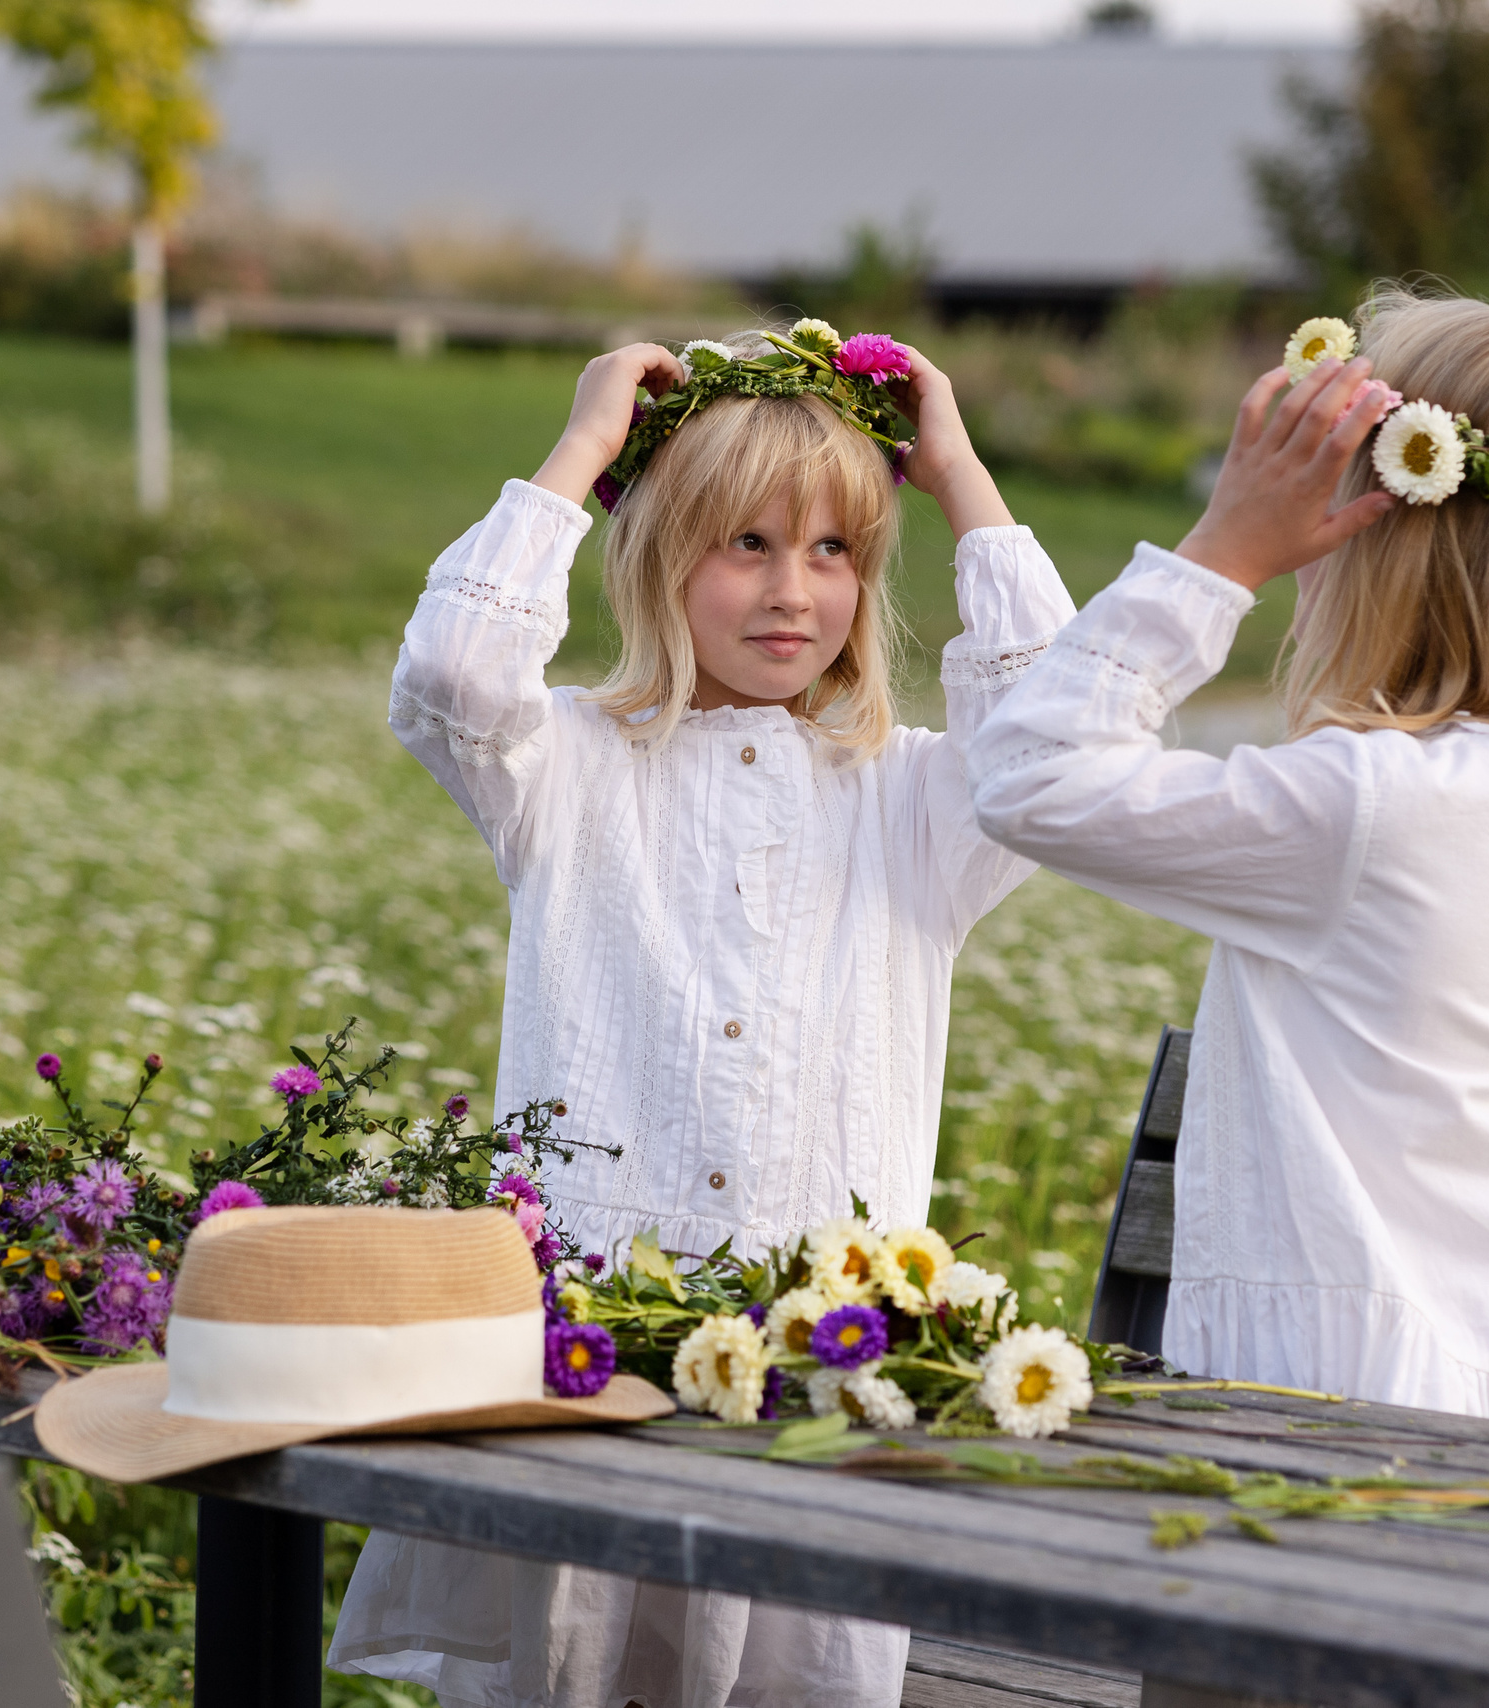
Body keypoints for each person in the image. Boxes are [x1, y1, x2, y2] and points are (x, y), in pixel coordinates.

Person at [328, 323, 1074, 1708]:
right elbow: (448, 679)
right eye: (746, 545)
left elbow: (1059, 736)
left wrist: (961, 475)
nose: (796, 593)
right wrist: (583, 452)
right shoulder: (567, 765)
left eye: (835, 551)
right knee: (568, 1667)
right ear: (660, 557)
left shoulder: (921, 803)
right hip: (588, 1373)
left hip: (815, 1379)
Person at [963, 290, 1489, 1439]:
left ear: (1378, 540)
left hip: (1342, 1418)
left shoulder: (1370, 810)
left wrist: (1220, 556)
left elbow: (1028, 772)